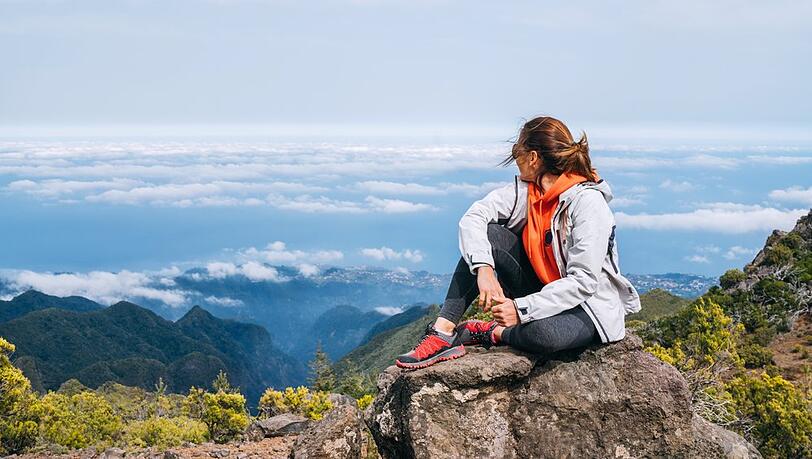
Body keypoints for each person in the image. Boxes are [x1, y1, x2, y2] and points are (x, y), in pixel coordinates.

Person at [395, 116, 641, 369]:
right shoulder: (526, 193)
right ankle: (443, 332)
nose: (515, 160)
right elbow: (474, 218)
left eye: (517, 153)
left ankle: (492, 332)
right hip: (541, 289)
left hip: (587, 305)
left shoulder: (588, 203)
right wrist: (484, 269)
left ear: (533, 157)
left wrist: (521, 309)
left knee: (545, 336)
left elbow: (584, 281)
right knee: (490, 235)